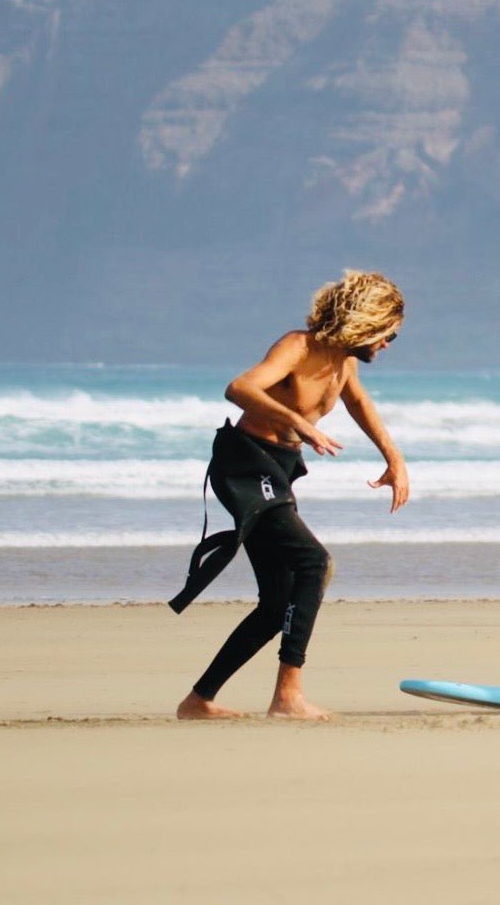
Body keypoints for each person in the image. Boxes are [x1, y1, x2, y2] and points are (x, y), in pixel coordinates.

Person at [170, 270, 409, 721]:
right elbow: (239, 388)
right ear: (368, 320)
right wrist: (299, 423)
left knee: (278, 600)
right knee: (314, 562)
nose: (388, 344)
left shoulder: (344, 362)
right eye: (389, 333)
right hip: (246, 464)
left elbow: (358, 403)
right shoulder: (298, 347)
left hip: (275, 470)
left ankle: (198, 701)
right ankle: (287, 697)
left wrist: (393, 458)